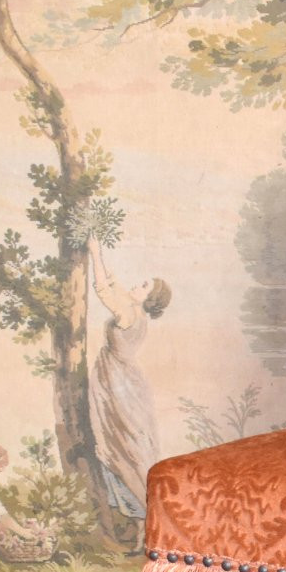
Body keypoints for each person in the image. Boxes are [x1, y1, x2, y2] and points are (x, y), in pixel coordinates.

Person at [88, 236, 171, 553]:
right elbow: (114, 285)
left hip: (118, 386)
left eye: (143, 286)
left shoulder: (128, 312)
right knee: (134, 452)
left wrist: (95, 253)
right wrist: (101, 255)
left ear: (148, 297)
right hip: (128, 383)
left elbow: (103, 289)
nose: (137, 286)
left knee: (123, 449)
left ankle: (145, 528)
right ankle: (142, 530)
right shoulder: (137, 313)